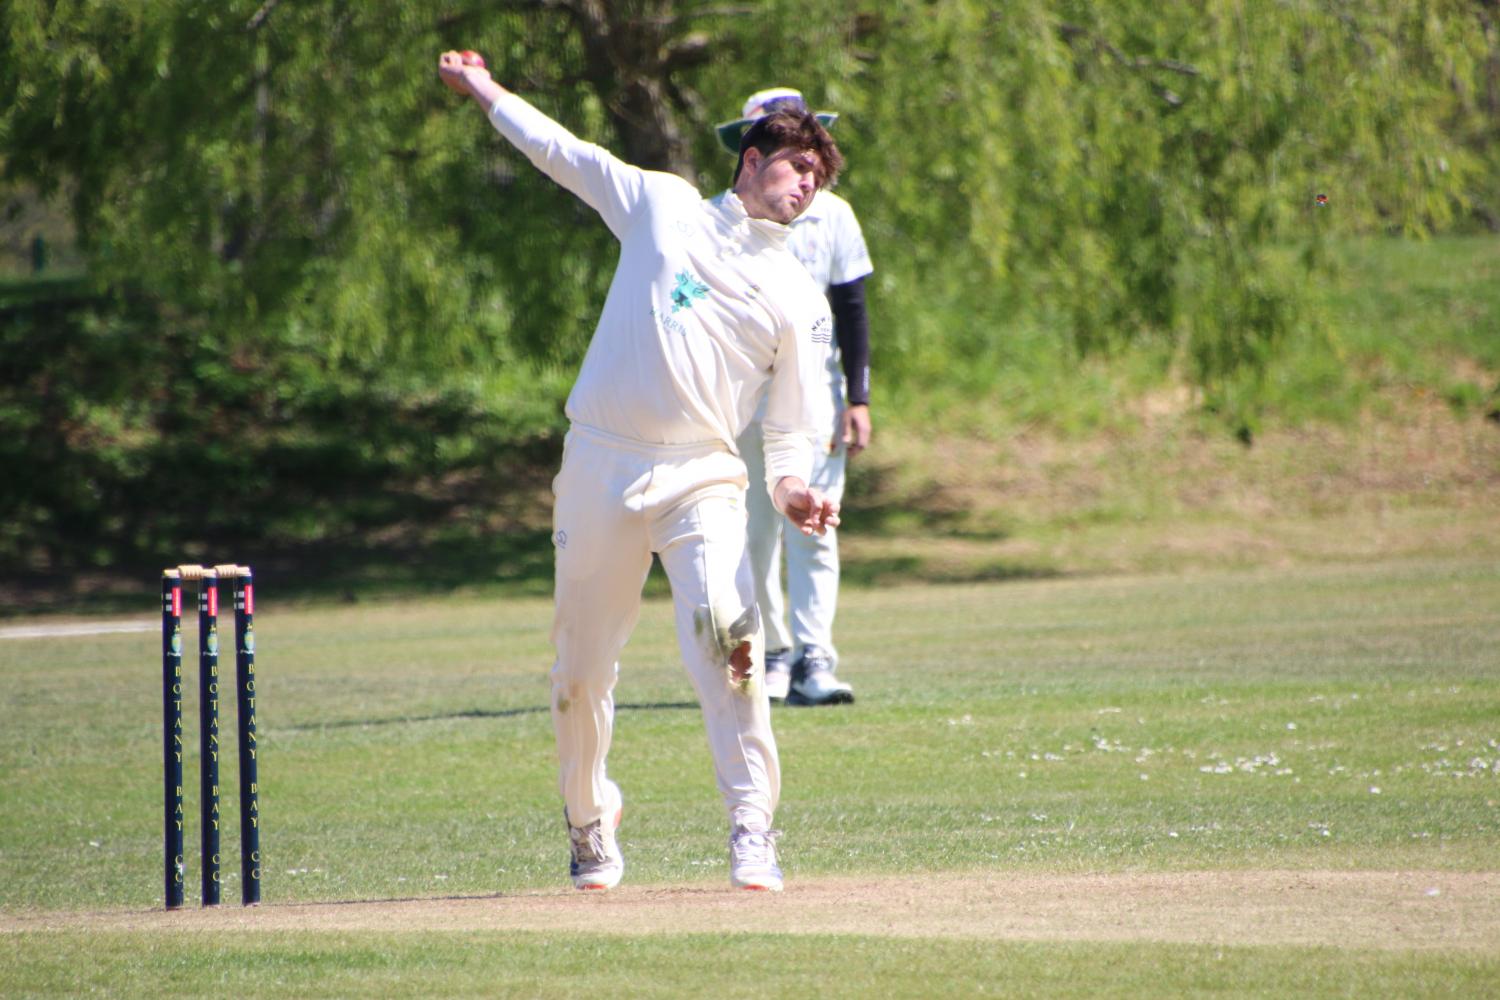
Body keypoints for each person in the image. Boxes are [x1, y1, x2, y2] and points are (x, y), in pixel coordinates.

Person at [438, 52, 844, 893]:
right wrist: (485, 92)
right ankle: (589, 821)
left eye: (818, 177)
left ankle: (751, 827)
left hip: (702, 476)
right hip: (600, 464)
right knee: (579, 671)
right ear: (751, 159)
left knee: (731, 641)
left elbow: (793, 426)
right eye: (795, 166)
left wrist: (792, 490)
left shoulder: (798, 296)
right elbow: (565, 154)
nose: (805, 186)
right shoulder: (662, 205)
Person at [716, 88, 873, 707]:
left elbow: (853, 308)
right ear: (751, 152)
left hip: (817, 394)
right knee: (756, 530)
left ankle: (815, 656)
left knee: (817, 525)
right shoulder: (724, 219)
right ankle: (773, 651)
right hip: (747, 398)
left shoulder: (833, 213)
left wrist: (857, 397)